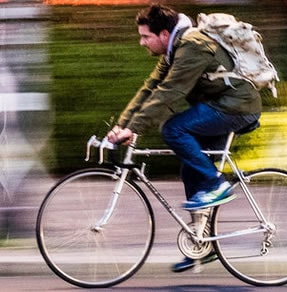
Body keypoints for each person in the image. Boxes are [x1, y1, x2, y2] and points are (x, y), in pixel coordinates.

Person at [106, 4, 261, 271]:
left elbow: (170, 92)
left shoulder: (193, 46)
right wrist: (122, 126)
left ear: (164, 34)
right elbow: (150, 88)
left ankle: (217, 184)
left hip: (236, 107)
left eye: (145, 36)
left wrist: (136, 128)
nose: (141, 42)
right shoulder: (174, 50)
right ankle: (202, 242)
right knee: (190, 166)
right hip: (221, 106)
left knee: (173, 129)